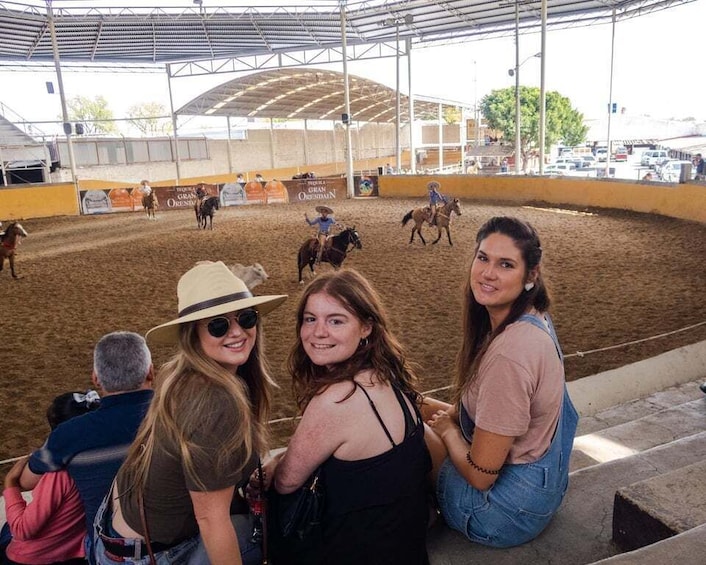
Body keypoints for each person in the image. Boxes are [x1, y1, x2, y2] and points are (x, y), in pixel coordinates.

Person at [93, 261, 287, 565]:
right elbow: (211, 519)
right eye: (218, 325)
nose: (237, 332)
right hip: (148, 555)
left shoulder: (180, 375)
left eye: (247, 318)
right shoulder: (216, 401)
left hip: (111, 534)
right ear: (193, 334)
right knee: (280, 530)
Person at [422, 216, 579, 548]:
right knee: (412, 404)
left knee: (410, 430)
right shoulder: (535, 320)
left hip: (502, 514)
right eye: (483, 258)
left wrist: (448, 431)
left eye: (505, 264)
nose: (488, 273)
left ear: (530, 275)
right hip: (541, 491)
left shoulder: (509, 355)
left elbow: (481, 476)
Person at [268, 269, 431, 565]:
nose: (318, 332)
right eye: (310, 319)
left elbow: (285, 483)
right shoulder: (387, 378)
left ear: (366, 327)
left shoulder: (337, 399)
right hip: (403, 546)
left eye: (336, 320)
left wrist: (273, 465)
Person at [19, 332, 154, 563]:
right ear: (151, 372)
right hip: (179, 541)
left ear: (96, 379)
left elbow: (27, 481)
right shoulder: (181, 416)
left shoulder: (70, 434)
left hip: (109, 550)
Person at [3, 391, 102, 565]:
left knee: (8, 530)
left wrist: (10, 484)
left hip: (35, 558)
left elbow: (23, 529)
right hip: (77, 552)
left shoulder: (59, 475)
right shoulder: (107, 460)